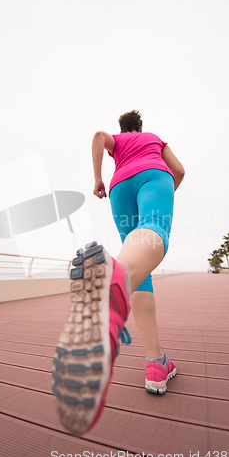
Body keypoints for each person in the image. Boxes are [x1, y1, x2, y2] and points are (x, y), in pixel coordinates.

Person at [52, 110, 185, 436]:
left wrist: (98, 177)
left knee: (141, 265)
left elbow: (99, 137)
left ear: (122, 130)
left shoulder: (119, 143)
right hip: (154, 176)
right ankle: (116, 276)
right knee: (153, 231)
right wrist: (167, 187)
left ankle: (156, 364)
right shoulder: (152, 138)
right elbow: (179, 169)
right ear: (139, 127)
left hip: (120, 186)